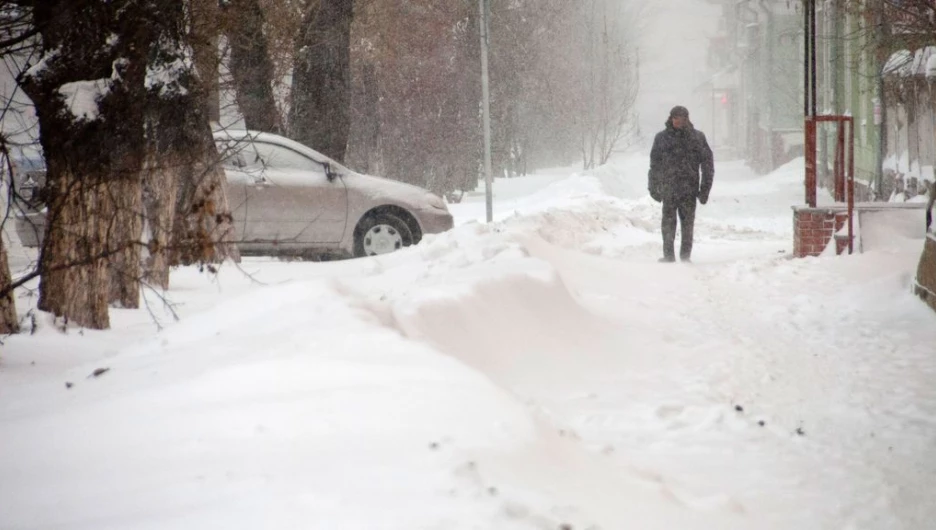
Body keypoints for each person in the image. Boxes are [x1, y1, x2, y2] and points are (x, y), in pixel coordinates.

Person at [648, 105, 714, 263]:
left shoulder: (697, 138)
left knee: (687, 225)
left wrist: (704, 190)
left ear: (687, 119)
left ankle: (685, 256)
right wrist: (653, 187)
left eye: (682, 118)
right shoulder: (661, 138)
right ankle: (669, 255)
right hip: (669, 189)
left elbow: (707, 166)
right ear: (670, 118)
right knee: (668, 224)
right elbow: (654, 165)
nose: (678, 121)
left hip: (688, 190)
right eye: (675, 117)